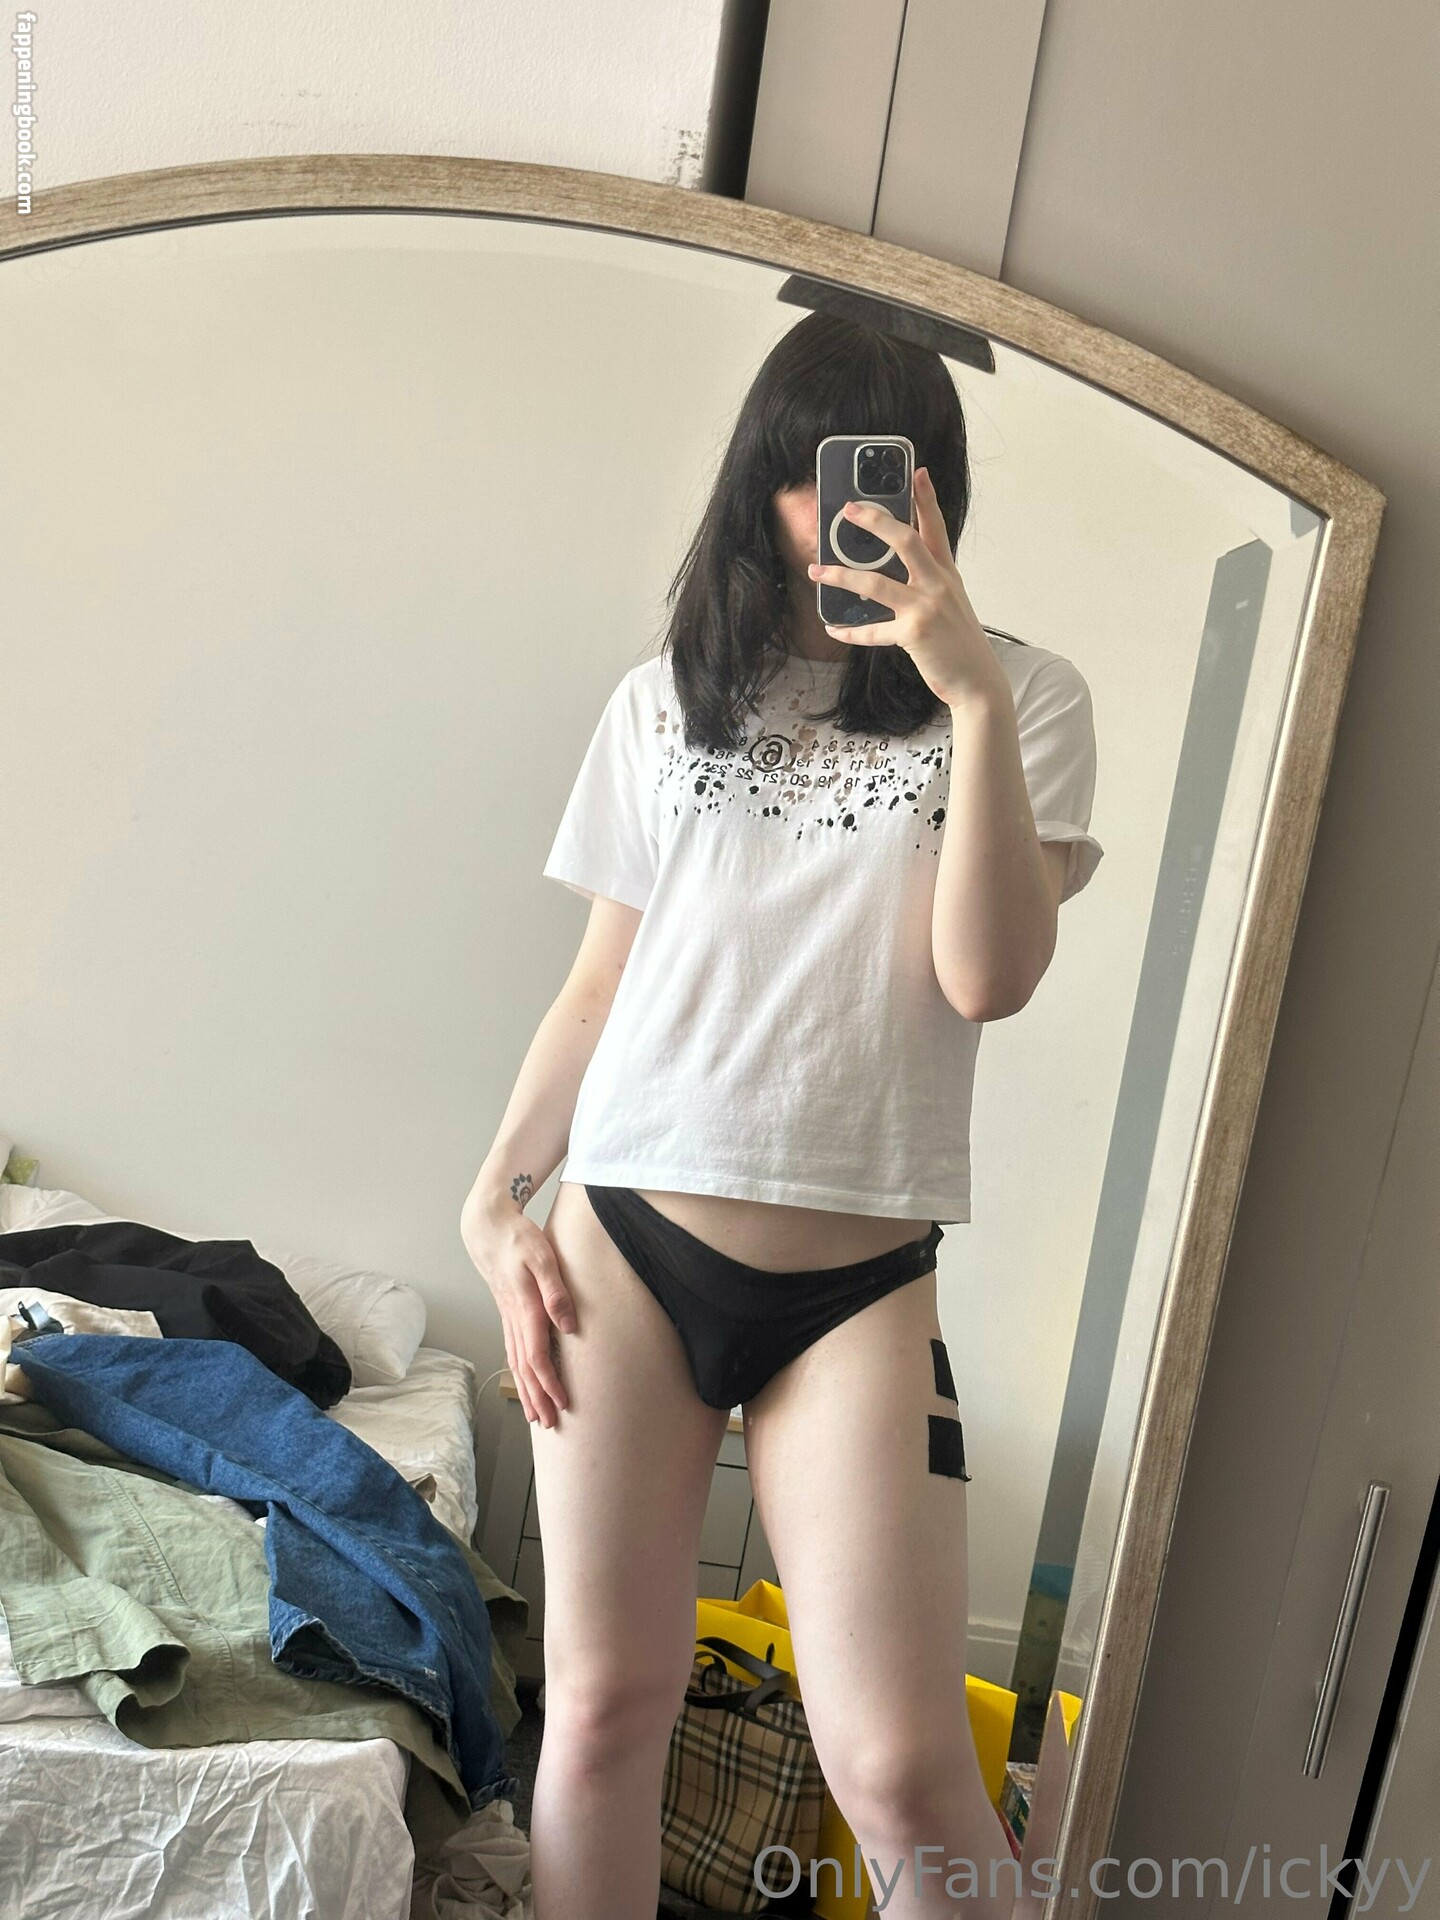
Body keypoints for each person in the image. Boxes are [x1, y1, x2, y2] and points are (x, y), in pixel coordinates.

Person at [460, 312, 1104, 1920]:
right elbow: (602, 986)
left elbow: (990, 977)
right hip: (626, 1239)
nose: (845, 513)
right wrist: (496, 1194)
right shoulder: (661, 702)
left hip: (859, 1282)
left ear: (937, 492)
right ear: (761, 483)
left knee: (899, 1767)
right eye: (813, 475)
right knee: (603, 1711)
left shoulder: (1025, 697)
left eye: (884, 476)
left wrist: (965, 693)